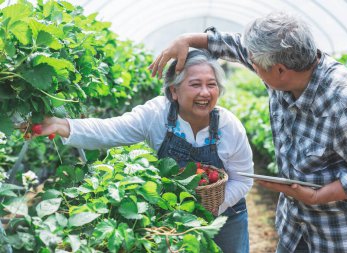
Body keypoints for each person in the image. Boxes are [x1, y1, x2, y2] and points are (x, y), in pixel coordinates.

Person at [149, 12, 347, 253]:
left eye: (255, 65)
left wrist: (316, 196)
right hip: (295, 227)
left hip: (344, 235)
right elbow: (237, 46)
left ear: (280, 70)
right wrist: (188, 39)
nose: (252, 67)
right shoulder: (285, 66)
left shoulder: (346, 101)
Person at [32, 50, 253, 253]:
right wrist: (63, 125)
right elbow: (110, 129)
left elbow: (243, 180)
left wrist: (210, 208)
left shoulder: (229, 127)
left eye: (211, 84)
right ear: (174, 91)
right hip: (173, 215)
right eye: (195, 84)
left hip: (227, 215)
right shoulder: (156, 115)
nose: (205, 92)